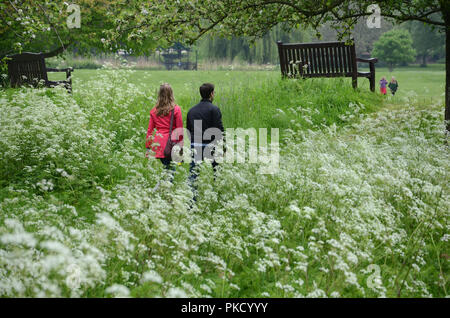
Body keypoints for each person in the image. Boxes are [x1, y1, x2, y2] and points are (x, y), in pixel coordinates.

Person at [186, 83, 224, 198]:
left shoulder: (192, 110)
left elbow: (188, 129)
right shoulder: (214, 109)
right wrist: (223, 145)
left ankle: (191, 200)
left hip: (195, 143)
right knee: (217, 171)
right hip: (210, 144)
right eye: (214, 92)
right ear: (211, 94)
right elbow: (219, 129)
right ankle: (217, 196)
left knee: (194, 173)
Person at [145, 83, 183, 171]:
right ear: (171, 94)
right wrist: (181, 146)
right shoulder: (176, 109)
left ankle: (163, 183)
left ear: (159, 94)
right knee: (170, 170)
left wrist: (148, 147)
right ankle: (164, 184)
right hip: (171, 143)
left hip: (158, 143)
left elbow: (150, 131)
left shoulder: (154, 111)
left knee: (166, 168)